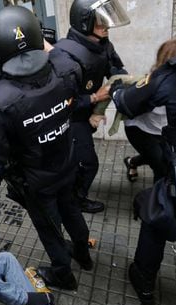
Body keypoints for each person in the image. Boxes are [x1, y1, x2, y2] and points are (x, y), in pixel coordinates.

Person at [0, 6, 92, 290]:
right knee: (71, 210)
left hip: (37, 180)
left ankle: (64, 273)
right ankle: (84, 255)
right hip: (66, 162)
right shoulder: (65, 69)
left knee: (50, 227)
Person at [110, 33, 176, 305]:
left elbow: (126, 101)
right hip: (152, 138)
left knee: (155, 213)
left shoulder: (174, 76)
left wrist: (114, 89)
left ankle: (144, 279)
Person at [55, 0, 130, 213]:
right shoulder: (65, 56)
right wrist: (95, 98)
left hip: (87, 114)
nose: (106, 27)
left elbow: (115, 68)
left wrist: (126, 85)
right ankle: (76, 200)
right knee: (88, 163)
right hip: (70, 119)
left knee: (78, 160)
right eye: (100, 23)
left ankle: (71, 192)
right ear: (84, 23)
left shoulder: (103, 43)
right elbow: (62, 103)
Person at [123, 40, 176, 184]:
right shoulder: (155, 84)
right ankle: (158, 204)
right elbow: (125, 101)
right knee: (162, 167)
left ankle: (132, 162)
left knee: (166, 158)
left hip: (163, 130)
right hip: (141, 130)